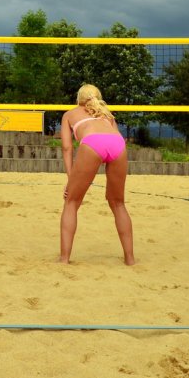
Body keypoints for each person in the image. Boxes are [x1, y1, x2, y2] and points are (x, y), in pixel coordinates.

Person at [58, 84, 135, 265]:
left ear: (78, 98)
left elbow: (67, 147)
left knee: (71, 202)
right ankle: (130, 260)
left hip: (93, 143)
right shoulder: (106, 114)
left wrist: (71, 179)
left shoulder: (69, 114)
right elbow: (114, 135)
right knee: (118, 203)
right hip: (118, 145)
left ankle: (64, 259)